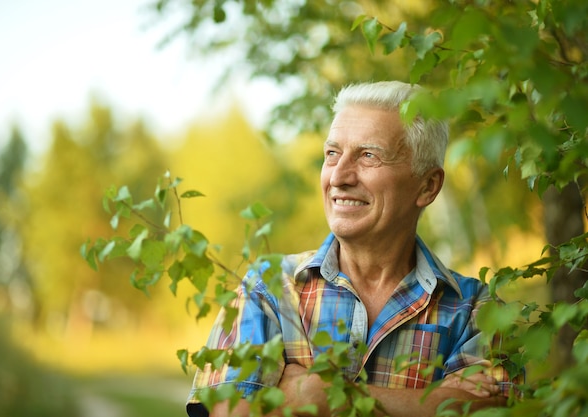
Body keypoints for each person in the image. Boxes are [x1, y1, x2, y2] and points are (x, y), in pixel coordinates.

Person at [186, 81, 518, 417]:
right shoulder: (269, 286)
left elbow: (490, 411)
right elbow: (229, 413)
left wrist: (323, 394)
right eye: (332, 154)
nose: (339, 176)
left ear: (427, 185)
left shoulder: (477, 309)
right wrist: (428, 403)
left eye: (368, 155)